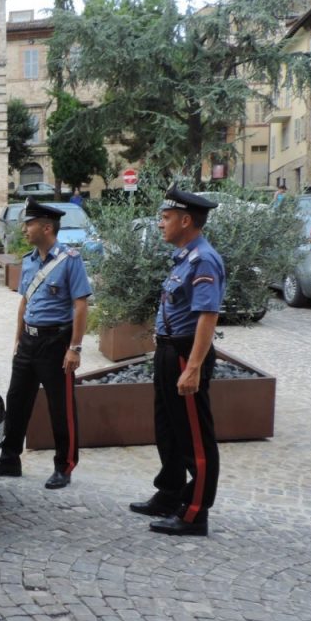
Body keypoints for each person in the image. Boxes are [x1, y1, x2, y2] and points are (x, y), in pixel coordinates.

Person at [129, 187, 225, 537]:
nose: (160, 224)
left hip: (186, 352)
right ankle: (170, 492)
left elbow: (207, 316)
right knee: (168, 428)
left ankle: (195, 512)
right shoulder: (185, 257)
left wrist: (194, 366)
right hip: (170, 351)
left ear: (186, 220)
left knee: (194, 436)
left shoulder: (203, 260)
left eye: (166, 218)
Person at [0, 199, 92, 488]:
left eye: (29, 223)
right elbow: (25, 301)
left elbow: (80, 305)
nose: (24, 228)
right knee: (16, 401)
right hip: (29, 340)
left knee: (60, 407)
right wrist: (18, 337)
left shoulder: (70, 260)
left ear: (47, 227)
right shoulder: (29, 260)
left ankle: (64, 465)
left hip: (56, 342)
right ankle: (9, 459)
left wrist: (75, 348)